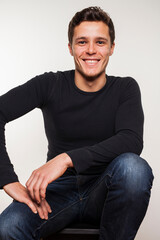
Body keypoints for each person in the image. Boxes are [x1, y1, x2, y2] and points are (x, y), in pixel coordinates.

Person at [0, 6, 154, 240]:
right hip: (56, 194)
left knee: (134, 168)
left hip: (105, 190)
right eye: (82, 42)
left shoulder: (125, 88)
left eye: (100, 42)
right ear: (70, 48)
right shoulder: (49, 84)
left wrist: (66, 159)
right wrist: (6, 179)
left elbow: (131, 140)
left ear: (112, 48)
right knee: (7, 228)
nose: (91, 50)